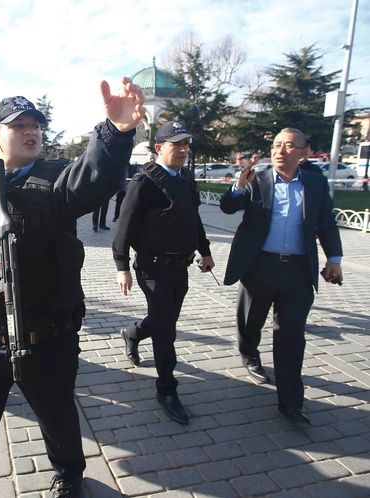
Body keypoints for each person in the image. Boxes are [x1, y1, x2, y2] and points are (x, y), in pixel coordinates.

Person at [0, 77, 144, 498]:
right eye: (18, 126)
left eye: (36, 126)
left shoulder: (58, 179)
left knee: (58, 416)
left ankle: (68, 475)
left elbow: (94, 177)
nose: (31, 132)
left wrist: (116, 133)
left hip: (47, 334)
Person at [220, 127, 342, 425]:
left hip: (298, 272)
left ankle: (290, 402)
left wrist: (334, 259)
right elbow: (227, 207)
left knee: (290, 336)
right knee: (251, 321)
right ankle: (249, 354)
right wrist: (238, 187)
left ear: (304, 153)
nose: (280, 151)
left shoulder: (315, 183)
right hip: (259, 266)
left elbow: (326, 224)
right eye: (276, 145)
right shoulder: (258, 179)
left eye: (288, 146)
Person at [113, 121, 215, 426]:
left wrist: (205, 250)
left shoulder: (185, 179)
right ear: (159, 148)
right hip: (151, 268)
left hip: (179, 268)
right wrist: (121, 267)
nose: (183, 150)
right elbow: (124, 228)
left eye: (186, 145)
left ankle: (132, 333)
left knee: (163, 320)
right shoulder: (143, 183)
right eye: (176, 145)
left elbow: (192, 219)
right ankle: (167, 388)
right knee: (166, 328)